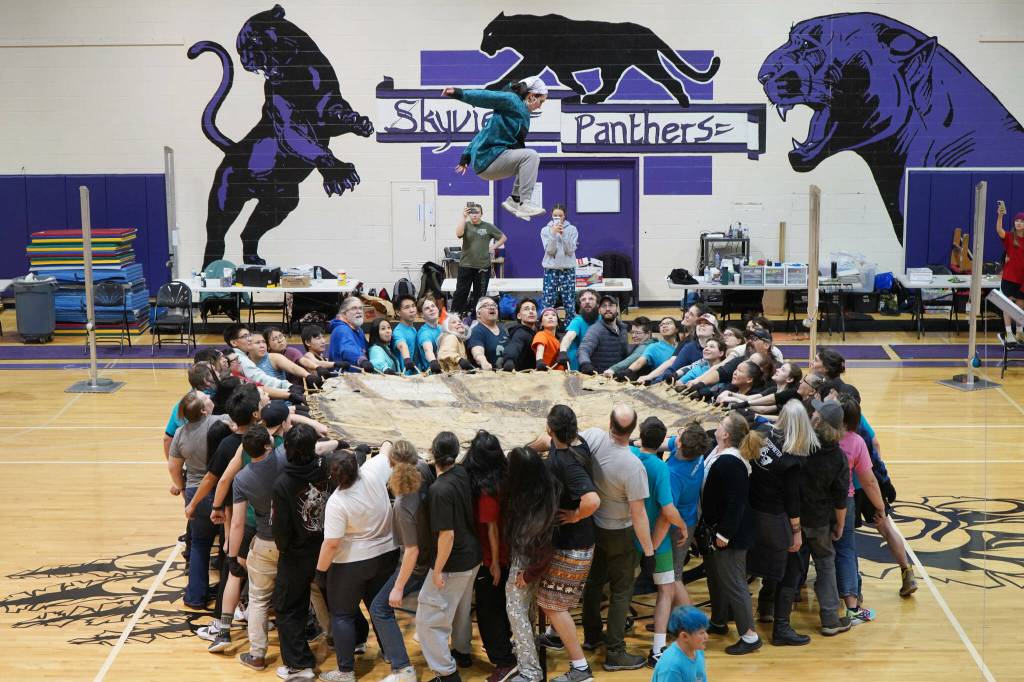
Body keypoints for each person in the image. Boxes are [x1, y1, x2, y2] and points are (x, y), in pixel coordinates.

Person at [578, 405, 655, 671]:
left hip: (594, 525)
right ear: (633, 430)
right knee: (622, 591)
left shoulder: (593, 438)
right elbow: (639, 514)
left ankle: (590, 636)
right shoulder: (633, 465)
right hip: (619, 532)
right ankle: (615, 652)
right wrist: (649, 552)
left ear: (609, 423)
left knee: (594, 581)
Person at [316, 443, 400, 682]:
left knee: (342, 614)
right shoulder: (373, 471)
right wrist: (385, 444)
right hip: (387, 554)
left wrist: (320, 571)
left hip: (353, 563)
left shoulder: (337, 502)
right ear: (357, 465)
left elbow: (331, 544)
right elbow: (386, 451)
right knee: (380, 609)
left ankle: (345, 672)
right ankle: (391, 654)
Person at [532, 405, 601, 682]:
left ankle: (581, 668)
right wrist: (532, 447)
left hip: (575, 544)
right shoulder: (578, 442)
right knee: (555, 599)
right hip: (574, 542)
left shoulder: (565, 463)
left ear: (552, 429)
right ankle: (554, 636)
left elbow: (592, 501)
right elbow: (547, 441)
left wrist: (573, 516)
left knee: (552, 604)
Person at [415, 432, 482, 682]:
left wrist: (438, 570)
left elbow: (447, 536)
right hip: (472, 557)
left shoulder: (439, 490)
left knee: (429, 620)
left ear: (433, 454)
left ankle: (446, 673)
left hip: (453, 562)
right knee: (460, 610)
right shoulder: (462, 473)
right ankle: (462, 653)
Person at [272, 423, 335, 681]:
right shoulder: (325, 469)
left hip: (297, 554)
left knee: (288, 608)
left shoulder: (283, 483)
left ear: (287, 449)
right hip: (326, 547)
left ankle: (299, 665)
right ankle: (355, 641)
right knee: (337, 599)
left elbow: (282, 528)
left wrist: (284, 549)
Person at [369, 441, 436, 682]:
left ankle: (403, 669)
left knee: (379, 608)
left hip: (419, 563)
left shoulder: (403, 503)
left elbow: (411, 551)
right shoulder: (424, 469)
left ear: (391, 466)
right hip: (433, 554)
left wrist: (399, 587)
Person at [746, 401, 810, 646]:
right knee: (791, 571)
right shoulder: (793, 458)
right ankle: (781, 629)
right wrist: (796, 532)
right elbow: (793, 502)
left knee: (762, 567)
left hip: (753, 512)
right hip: (775, 519)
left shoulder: (763, 434)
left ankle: (764, 608)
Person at [700, 412, 762, 655]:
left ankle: (749, 635)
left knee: (734, 583)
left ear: (725, 434)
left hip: (731, 535)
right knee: (716, 577)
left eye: (720, 424)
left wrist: (724, 534)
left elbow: (737, 502)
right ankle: (718, 620)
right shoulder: (718, 452)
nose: (716, 426)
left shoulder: (731, 462)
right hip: (718, 529)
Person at [227, 424, 288, 672]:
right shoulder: (283, 458)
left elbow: (238, 523)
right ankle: (328, 634)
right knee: (311, 590)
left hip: (265, 541)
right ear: (267, 444)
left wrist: (233, 555)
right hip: (293, 540)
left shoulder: (242, 478)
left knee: (259, 600)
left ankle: (258, 655)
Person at [443, 78, 548, 219]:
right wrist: (458, 93)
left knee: (525, 159)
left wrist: (465, 157)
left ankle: (514, 201)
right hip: (488, 159)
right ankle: (525, 203)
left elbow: (485, 131)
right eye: (541, 101)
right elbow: (486, 97)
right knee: (532, 156)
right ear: (532, 95)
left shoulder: (522, 113)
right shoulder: (512, 100)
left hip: (490, 161)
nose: (540, 106)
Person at [630, 417, 687, 668]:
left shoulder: (629, 455)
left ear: (640, 434)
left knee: (620, 589)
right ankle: (657, 650)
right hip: (659, 541)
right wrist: (683, 525)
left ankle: (610, 636)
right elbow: (668, 509)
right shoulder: (660, 468)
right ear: (663, 441)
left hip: (629, 537)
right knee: (666, 590)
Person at [167, 390, 230, 609]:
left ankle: (195, 597)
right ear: (204, 410)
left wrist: (184, 490)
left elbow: (174, 468)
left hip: (195, 492)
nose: (211, 399)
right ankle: (227, 598)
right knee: (227, 545)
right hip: (221, 491)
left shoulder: (180, 433)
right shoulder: (220, 421)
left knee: (200, 545)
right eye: (207, 399)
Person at [464, 431, 518, 681]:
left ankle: (504, 662)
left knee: (488, 612)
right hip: (507, 551)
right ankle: (505, 650)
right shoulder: (505, 476)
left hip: (491, 558)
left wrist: (494, 562)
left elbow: (491, 527)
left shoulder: (486, 489)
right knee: (498, 607)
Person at [503, 446, 560, 682]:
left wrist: (527, 574)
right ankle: (526, 651)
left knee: (515, 611)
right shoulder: (545, 489)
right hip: (529, 561)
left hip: (527, 564)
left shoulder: (533, 507)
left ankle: (530, 671)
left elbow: (546, 550)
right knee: (525, 610)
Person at [800, 401, 853, 636]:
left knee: (791, 563)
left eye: (815, 412)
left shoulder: (801, 445)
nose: (812, 413)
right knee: (825, 565)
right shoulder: (839, 457)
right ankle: (830, 619)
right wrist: (840, 524)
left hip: (793, 517)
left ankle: (772, 609)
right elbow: (841, 498)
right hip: (820, 521)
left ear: (818, 421)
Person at [834, 394, 887, 626]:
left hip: (813, 501)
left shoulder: (818, 435)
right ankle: (852, 608)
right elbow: (869, 481)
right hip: (844, 501)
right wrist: (880, 507)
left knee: (813, 551)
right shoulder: (856, 442)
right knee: (845, 549)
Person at [664, 422, 709, 608]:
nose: (679, 432)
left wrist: (681, 526)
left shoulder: (673, 474)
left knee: (674, 576)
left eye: (681, 434)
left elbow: (669, 510)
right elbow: (665, 443)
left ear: (681, 444)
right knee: (673, 574)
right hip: (690, 516)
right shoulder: (697, 453)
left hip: (679, 525)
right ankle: (675, 619)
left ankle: (693, 626)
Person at [451, 203, 507, 317]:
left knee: (480, 295)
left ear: (481, 213)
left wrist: (492, 248)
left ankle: (477, 318)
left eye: (477, 212)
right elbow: (458, 234)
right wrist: (463, 217)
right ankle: (455, 316)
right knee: (461, 292)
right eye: (472, 212)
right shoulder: (465, 224)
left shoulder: (488, 226)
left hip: (483, 267)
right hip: (465, 265)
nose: (474, 215)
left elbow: (503, 238)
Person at [541, 204, 579, 319]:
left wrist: (564, 235)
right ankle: (547, 326)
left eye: (560, 215)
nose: (558, 217)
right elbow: (549, 251)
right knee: (548, 300)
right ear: (551, 216)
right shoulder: (545, 230)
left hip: (567, 269)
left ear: (564, 216)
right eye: (555, 215)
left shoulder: (572, 229)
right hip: (551, 269)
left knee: (569, 301)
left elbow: (571, 250)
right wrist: (553, 234)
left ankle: (570, 328)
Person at [651, 606, 710, 682]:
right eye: (701, 633)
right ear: (684, 636)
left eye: (705, 631)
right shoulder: (671, 667)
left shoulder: (697, 650)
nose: (706, 636)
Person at [721, 362, 803, 414]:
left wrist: (736, 400)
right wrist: (730, 393)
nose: (777, 369)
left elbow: (763, 410)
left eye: (783, 370)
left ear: (789, 379)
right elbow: (748, 398)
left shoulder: (790, 395)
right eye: (780, 368)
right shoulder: (774, 389)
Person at [614, 317, 680, 381]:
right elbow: (639, 362)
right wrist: (627, 371)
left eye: (668, 323)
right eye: (662, 324)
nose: (664, 326)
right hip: (662, 384)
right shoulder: (653, 347)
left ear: (677, 329)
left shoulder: (683, 345)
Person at [577, 295, 629, 375]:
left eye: (611, 305)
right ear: (599, 311)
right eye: (604, 306)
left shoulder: (623, 329)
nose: (607, 309)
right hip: (600, 380)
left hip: (618, 378)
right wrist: (585, 363)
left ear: (617, 308)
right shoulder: (595, 330)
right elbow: (583, 350)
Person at [995, 201, 1024, 342]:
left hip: (1022, 280)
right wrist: (1000, 215)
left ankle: (1019, 332)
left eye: (1022, 221)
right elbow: (999, 230)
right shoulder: (1010, 237)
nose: (1019, 223)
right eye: (1017, 220)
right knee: (1007, 305)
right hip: (1009, 278)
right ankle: (1008, 333)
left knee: (1020, 306)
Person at [557, 289, 599, 371]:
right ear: (580, 304)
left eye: (591, 299)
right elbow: (568, 337)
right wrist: (563, 351)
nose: (587, 302)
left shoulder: (603, 320)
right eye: (583, 299)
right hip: (578, 367)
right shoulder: (577, 321)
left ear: (598, 304)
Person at [328, 297, 372, 370]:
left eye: (360, 308)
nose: (359, 311)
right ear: (345, 313)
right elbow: (348, 349)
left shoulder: (358, 330)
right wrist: (362, 360)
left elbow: (367, 349)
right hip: (343, 378)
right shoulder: (342, 329)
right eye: (354, 308)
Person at [467, 297, 508, 371]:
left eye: (494, 305)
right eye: (486, 305)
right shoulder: (477, 331)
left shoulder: (503, 329)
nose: (492, 307)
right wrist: (483, 362)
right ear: (478, 313)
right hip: (488, 376)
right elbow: (478, 352)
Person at [501, 298, 539, 371]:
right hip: (523, 377)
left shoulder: (538, 331)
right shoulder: (520, 332)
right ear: (519, 316)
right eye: (526, 309)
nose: (531, 311)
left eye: (533, 309)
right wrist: (509, 360)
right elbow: (515, 345)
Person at [391, 295, 421, 375]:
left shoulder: (413, 329)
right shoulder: (398, 332)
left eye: (413, 306)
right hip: (405, 376)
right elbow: (402, 345)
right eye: (407, 307)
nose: (412, 310)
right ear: (398, 312)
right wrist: (407, 359)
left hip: (416, 374)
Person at [416, 298, 444, 373]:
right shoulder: (424, 333)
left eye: (433, 306)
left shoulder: (441, 328)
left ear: (438, 309)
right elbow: (428, 349)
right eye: (427, 308)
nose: (431, 309)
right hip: (433, 374)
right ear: (422, 315)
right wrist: (433, 361)